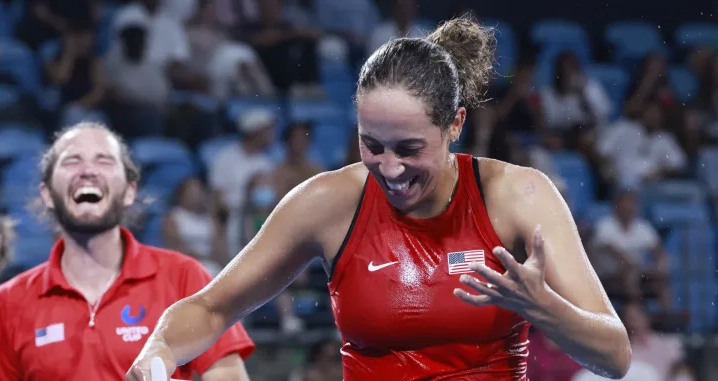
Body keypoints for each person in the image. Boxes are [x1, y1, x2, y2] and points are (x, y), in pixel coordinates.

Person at [128, 17, 631, 380]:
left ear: (455, 123)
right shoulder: (327, 203)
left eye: (410, 148)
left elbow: (614, 356)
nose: (390, 169)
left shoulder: (520, 195)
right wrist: (156, 358)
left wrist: (541, 307)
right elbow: (211, 309)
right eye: (372, 145)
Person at [0, 123, 255, 381]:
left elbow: (226, 371)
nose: (88, 171)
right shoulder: (8, 303)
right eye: (72, 161)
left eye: (104, 161)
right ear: (47, 194)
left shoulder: (183, 276)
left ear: (130, 191)